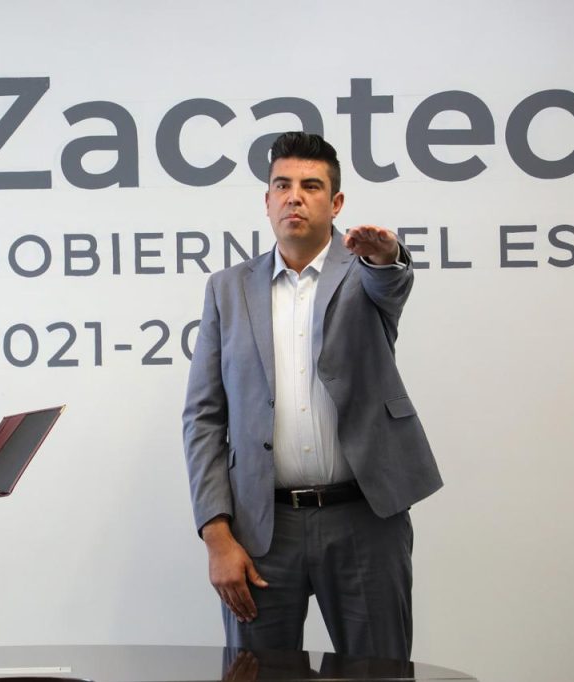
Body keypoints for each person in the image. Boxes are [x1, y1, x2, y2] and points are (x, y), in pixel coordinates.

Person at [182, 132, 442, 660]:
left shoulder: (365, 271)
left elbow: (391, 282)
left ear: (336, 202)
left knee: (381, 672)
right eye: (282, 186)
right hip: (262, 528)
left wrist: (388, 256)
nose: (294, 197)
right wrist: (217, 535)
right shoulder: (227, 289)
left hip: (365, 518)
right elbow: (204, 418)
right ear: (267, 200)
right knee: (257, 674)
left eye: (311, 186)